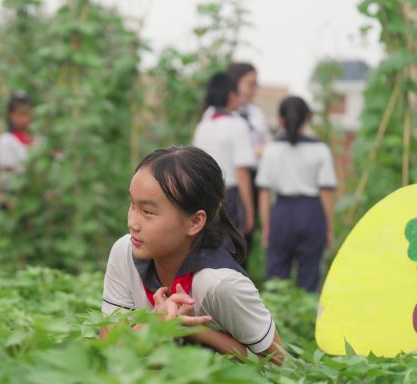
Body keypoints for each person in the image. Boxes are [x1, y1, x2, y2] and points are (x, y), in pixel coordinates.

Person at [101, 146, 283, 363]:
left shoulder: (220, 284)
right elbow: (110, 351)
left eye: (148, 212)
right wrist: (156, 322)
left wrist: (192, 330)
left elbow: (277, 362)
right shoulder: (124, 253)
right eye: (132, 205)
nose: (132, 222)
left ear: (195, 222)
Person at [257, 96, 336, 292]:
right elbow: (325, 191)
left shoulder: (271, 150)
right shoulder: (320, 149)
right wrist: (329, 228)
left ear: (281, 120)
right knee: (309, 276)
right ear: (308, 117)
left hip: (281, 213)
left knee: (276, 277)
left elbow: (264, 192)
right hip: (311, 213)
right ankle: (307, 319)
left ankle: (275, 319)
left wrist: (267, 226)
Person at [193, 73, 256, 246]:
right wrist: (249, 211)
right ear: (231, 96)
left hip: (204, 195)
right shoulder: (238, 125)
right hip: (230, 198)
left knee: (207, 249)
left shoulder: (203, 126)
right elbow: (241, 171)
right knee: (232, 250)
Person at [0, 91, 34, 190]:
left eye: (26, 113)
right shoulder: (6, 140)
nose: (24, 118)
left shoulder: (39, 140)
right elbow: (10, 170)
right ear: (11, 115)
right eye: (20, 114)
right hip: (16, 192)